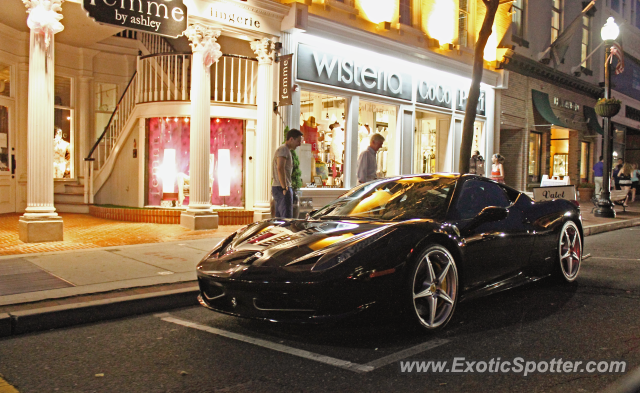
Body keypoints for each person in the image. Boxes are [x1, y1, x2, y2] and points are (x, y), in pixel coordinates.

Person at [272, 129, 303, 218]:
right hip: (281, 187)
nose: (299, 144)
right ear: (291, 139)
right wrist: (284, 187)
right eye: (298, 141)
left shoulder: (285, 150)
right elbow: (280, 168)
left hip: (279, 187)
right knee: (287, 219)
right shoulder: (283, 150)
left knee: (279, 219)